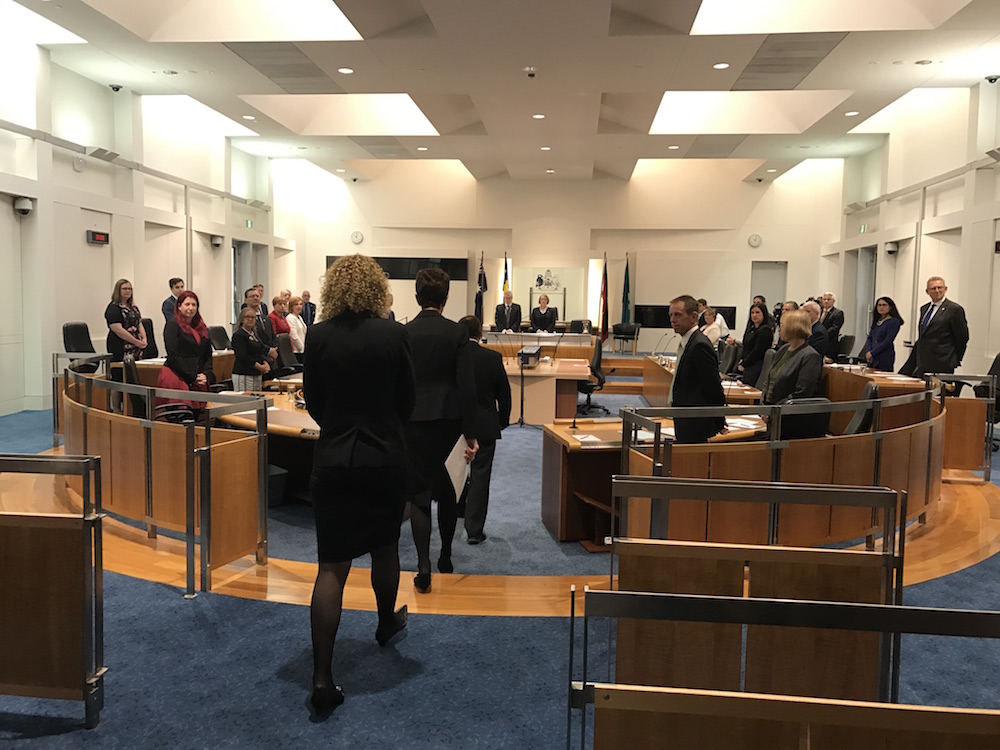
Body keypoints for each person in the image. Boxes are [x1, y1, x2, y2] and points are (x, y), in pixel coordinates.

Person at [303, 254, 415, 717]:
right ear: (377, 288)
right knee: (386, 545)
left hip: (333, 460)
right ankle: (386, 623)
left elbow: (314, 401)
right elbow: (407, 400)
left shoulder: (318, 335)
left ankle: (322, 678)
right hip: (384, 458)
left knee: (331, 567)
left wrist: (339, 427)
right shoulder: (393, 333)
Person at [405, 268, 478, 594]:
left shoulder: (404, 333)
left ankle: (423, 567)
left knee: (419, 498)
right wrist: (472, 433)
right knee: (449, 494)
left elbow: (400, 384)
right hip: (450, 424)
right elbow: (466, 387)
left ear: (417, 297)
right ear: (446, 299)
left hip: (414, 424)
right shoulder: (457, 333)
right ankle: (445, 556)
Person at [458, 315, 512, 545]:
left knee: (456, 473)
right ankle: (474, 530)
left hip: (457, 425)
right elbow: (505, 395)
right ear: (480, 334)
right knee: (480, 476)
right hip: (484, 425)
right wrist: (501, 421)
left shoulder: (453, 358)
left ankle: (458, 512)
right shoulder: (492, 358)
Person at [668, 295, 725, 443]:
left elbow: (713, 386)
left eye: (678, 315)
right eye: (671, 315)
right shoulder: (688, 342)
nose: (673, 319)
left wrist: (719, 420)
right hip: (685, 417)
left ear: (694, 316)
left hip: (695, 422)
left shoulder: (699, 345)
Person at [899, 276, 969, 377]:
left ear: (945, 289)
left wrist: (955, 358)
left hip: (943, 361)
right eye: (933, 288)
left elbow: (962, 337)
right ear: (927, 291)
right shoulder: (924, 308)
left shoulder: (954, 309)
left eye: (940, 287)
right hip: (923, 361)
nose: (937, 291)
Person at [156, 290, 213, 410]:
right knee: (182, 414)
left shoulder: (201, 327)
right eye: (187, 304)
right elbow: (173, 355)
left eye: (194, 305)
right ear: (179, 306)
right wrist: (192, 377)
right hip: (177, 375)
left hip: (198, 377)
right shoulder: (172, 325)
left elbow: (207, 354)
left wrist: (206, 374)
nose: (191, 308)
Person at [760, 310, 822, 404]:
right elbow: (768, 381)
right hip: (768, 410)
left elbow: (801, 393)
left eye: (782, 325)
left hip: (787, 413)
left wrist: (775, 410)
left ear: (793, 328)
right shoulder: (783, 349)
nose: (779, 329)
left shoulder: (810, 356)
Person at [105, 279, 147, 408]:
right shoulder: (113, 308)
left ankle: (131, 407)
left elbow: (139, 323)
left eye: (130, 289)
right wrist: (136, 342)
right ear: (118, 290)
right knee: (118, 377)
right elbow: (117, 329)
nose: (128, 291)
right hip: (119, 346)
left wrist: (144, 339)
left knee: (133, 377)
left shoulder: (133, 307)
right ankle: (117, 409)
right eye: (125, 289)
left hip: (135, 347)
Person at [231, 307, 272, 391]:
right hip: (244, 374)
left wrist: (265, 363)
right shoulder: (239, 335)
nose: (250, 319)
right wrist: (260, 367)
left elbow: (260, 350)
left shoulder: (254, 334)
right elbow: (243, 356)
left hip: (256, 374)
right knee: (246, 401)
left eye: (253, 317)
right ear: (242, 319)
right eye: (247, 317)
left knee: (256, 400)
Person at [736, 302, 774, 387]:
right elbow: (745, 346)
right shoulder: (751, 329)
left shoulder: (765, 330)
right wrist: (742, 360)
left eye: (757, 312)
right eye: (752, 313)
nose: (754, 315)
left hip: (756, 366)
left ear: (763, 314)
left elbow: (758, 351)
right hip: (748, 365)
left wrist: (744, 363)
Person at [861, 297, 903, 372]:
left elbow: (888, 340)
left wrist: (873, 352)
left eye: (884, 305)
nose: (881, 307)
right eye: (879, 305)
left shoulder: (893, 321)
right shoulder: (877, 321)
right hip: (872, 356)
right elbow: (870, 338)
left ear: (890, 307)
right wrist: (869, 351)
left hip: (884, 355)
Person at [286, 295, 308, 360]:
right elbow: (294, 336)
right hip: (297, 351)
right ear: (291, 306)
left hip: (303, 348)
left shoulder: (299, 317)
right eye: (296, 304)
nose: (299, 306)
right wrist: (302, 349)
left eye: (301, 304)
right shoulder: (290, 318)